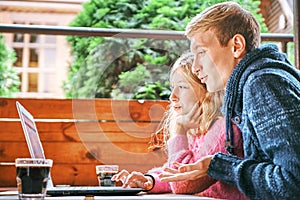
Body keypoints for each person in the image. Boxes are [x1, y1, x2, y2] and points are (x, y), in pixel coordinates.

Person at [159, 2, 300, 200]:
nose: (196, 67)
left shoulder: (263, 84)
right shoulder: (252, 84)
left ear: (236, 46)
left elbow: (292, 183)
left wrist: (219, 166)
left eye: (202, 52)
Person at [112, 52, 247, 199]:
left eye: (182, 87)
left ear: (207, 91)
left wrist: (179, 131)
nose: (172, 96)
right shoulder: (197, 128)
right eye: (173, 87)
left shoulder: (223, 129)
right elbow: (174, 173)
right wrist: (148, 181)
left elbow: (183, 184)